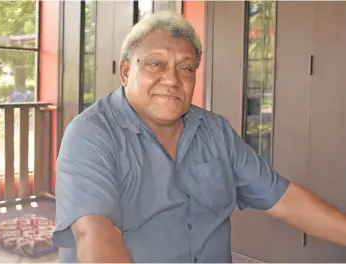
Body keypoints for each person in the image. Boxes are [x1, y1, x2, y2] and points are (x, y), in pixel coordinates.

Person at [53, 11, 346, 263]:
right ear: (127, 71)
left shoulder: (215, 130)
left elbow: (283, 199)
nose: (171, 79)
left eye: (185, 68)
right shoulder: (91, 134)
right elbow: (95, 233)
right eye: (156, 64)